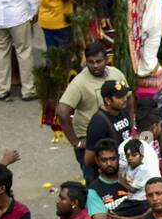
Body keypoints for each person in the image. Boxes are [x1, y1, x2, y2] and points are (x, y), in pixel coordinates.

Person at [55, 44, 128, 176]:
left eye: (99, 61)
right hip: (91, 141)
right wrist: (76, 142)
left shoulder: (116, 74)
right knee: (93, 180)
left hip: (114, 135)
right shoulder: (79, 82)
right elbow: (62, 112)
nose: (95, 66)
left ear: (106, 59)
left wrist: (130, 123)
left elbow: (129, 97)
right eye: (91, 62)